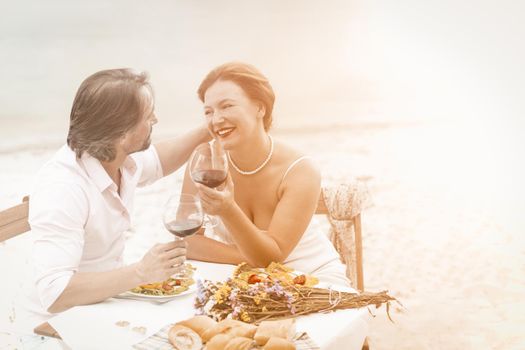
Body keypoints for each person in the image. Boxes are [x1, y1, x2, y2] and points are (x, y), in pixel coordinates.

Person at [16, 68, 210, 333]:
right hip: (56, 326)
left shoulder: (117, 160)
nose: (156, 119)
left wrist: (207, 130)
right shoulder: (63, 188)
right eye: (147, 115)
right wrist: (141, 272)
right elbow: (55, 293)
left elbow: (159, 160)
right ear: (122, 132)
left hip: (105, 304)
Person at [181, 62, 350, 287]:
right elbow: (187, 241)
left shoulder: (300, 170)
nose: (216, 119)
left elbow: (271, 257)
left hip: (312, 277)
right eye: (208, 111)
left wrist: (228, 210)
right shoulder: (204, 162)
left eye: (227, 106)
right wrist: (245, 257)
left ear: (260, 108)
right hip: (246, 279)